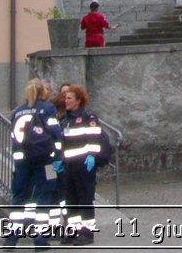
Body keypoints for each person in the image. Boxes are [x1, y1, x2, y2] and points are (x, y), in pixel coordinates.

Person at [3, 79, 63, 248]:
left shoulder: (17, 112)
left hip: (22, 161)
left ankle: (11, 239)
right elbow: (56, 134)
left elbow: (14, 138)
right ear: (42, 92)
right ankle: (40, 239)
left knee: (19, 198)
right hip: (45, 160)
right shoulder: (48, 109)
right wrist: (57, 156)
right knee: (44, 196)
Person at [56, 84, 107, 246]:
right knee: (70, 199)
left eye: (69, 98)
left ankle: (87, 233)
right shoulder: (65, 121)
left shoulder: (88, 118)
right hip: (69, 166)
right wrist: (58, 159)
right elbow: (61, 143)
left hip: (84, 165)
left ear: (78, 100)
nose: (66, 101)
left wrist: (92, 156)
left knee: (84, 199)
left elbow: (94, 138)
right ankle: (73, 231)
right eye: (66, 98)